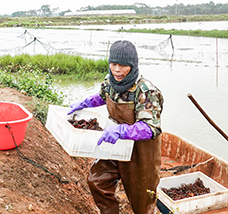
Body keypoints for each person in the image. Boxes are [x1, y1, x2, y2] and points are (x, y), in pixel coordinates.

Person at [68, 40, 163, 214]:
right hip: (114, 146)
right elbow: (103, 96)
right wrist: (85, 103)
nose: (117, 70)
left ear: (132, 66)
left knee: (142, 203)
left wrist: (122, 130)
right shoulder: (110, 81)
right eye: (113, 64)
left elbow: (151, 128)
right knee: (97, 180)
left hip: (140, 154)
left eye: (123, 65)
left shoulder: (146, 91)